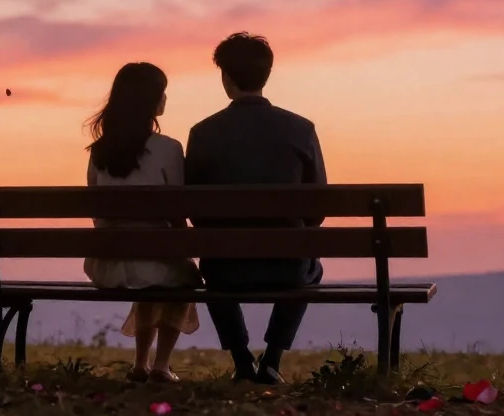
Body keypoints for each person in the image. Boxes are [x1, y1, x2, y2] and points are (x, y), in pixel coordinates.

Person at [185, 33, 328, 384]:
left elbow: (194, 209)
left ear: (226, 78)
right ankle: (273, 360)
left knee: (212, 264)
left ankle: (241, 361)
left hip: (225, 270)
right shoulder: (300, 128)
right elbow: (318, 208)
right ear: (267, 74)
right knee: (312, 266)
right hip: (288, 269)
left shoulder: (203, 133)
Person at [82, 62, 201, 383]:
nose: (165, 98)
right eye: (162, 92)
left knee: (148, 270)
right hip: (155, 258)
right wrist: (185, 247)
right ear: (151, 101)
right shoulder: (168, 149)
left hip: (107, 266)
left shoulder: (99, 152)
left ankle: (139, 364)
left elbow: (97, 211)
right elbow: (179, 209)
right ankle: (161, 365)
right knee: (180, 276)